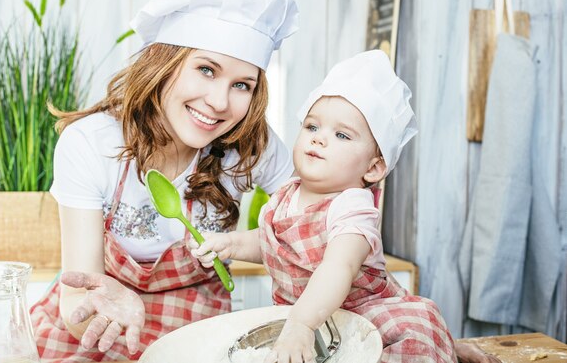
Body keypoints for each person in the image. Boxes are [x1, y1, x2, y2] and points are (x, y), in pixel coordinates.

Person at [29, 0, 299, 362]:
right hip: (101, 329)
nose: (220, 103)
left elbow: (305, 235)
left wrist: (242, 246)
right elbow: (76, 307)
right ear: (165, 64)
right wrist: (110, 309)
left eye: (242, 84)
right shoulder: (90, 142)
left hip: (198, 330)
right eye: (206, 70)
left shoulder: (250, 144)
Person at [190, 50, 459, 363]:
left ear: (372, 168)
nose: (319, 140)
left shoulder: (352, 208)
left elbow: (338, 266)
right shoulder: (285, 196)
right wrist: (231, 243)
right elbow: (270, 243)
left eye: (342, 134)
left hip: (366, 320)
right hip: (309, 322)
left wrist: (302, 324)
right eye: (312, 127)